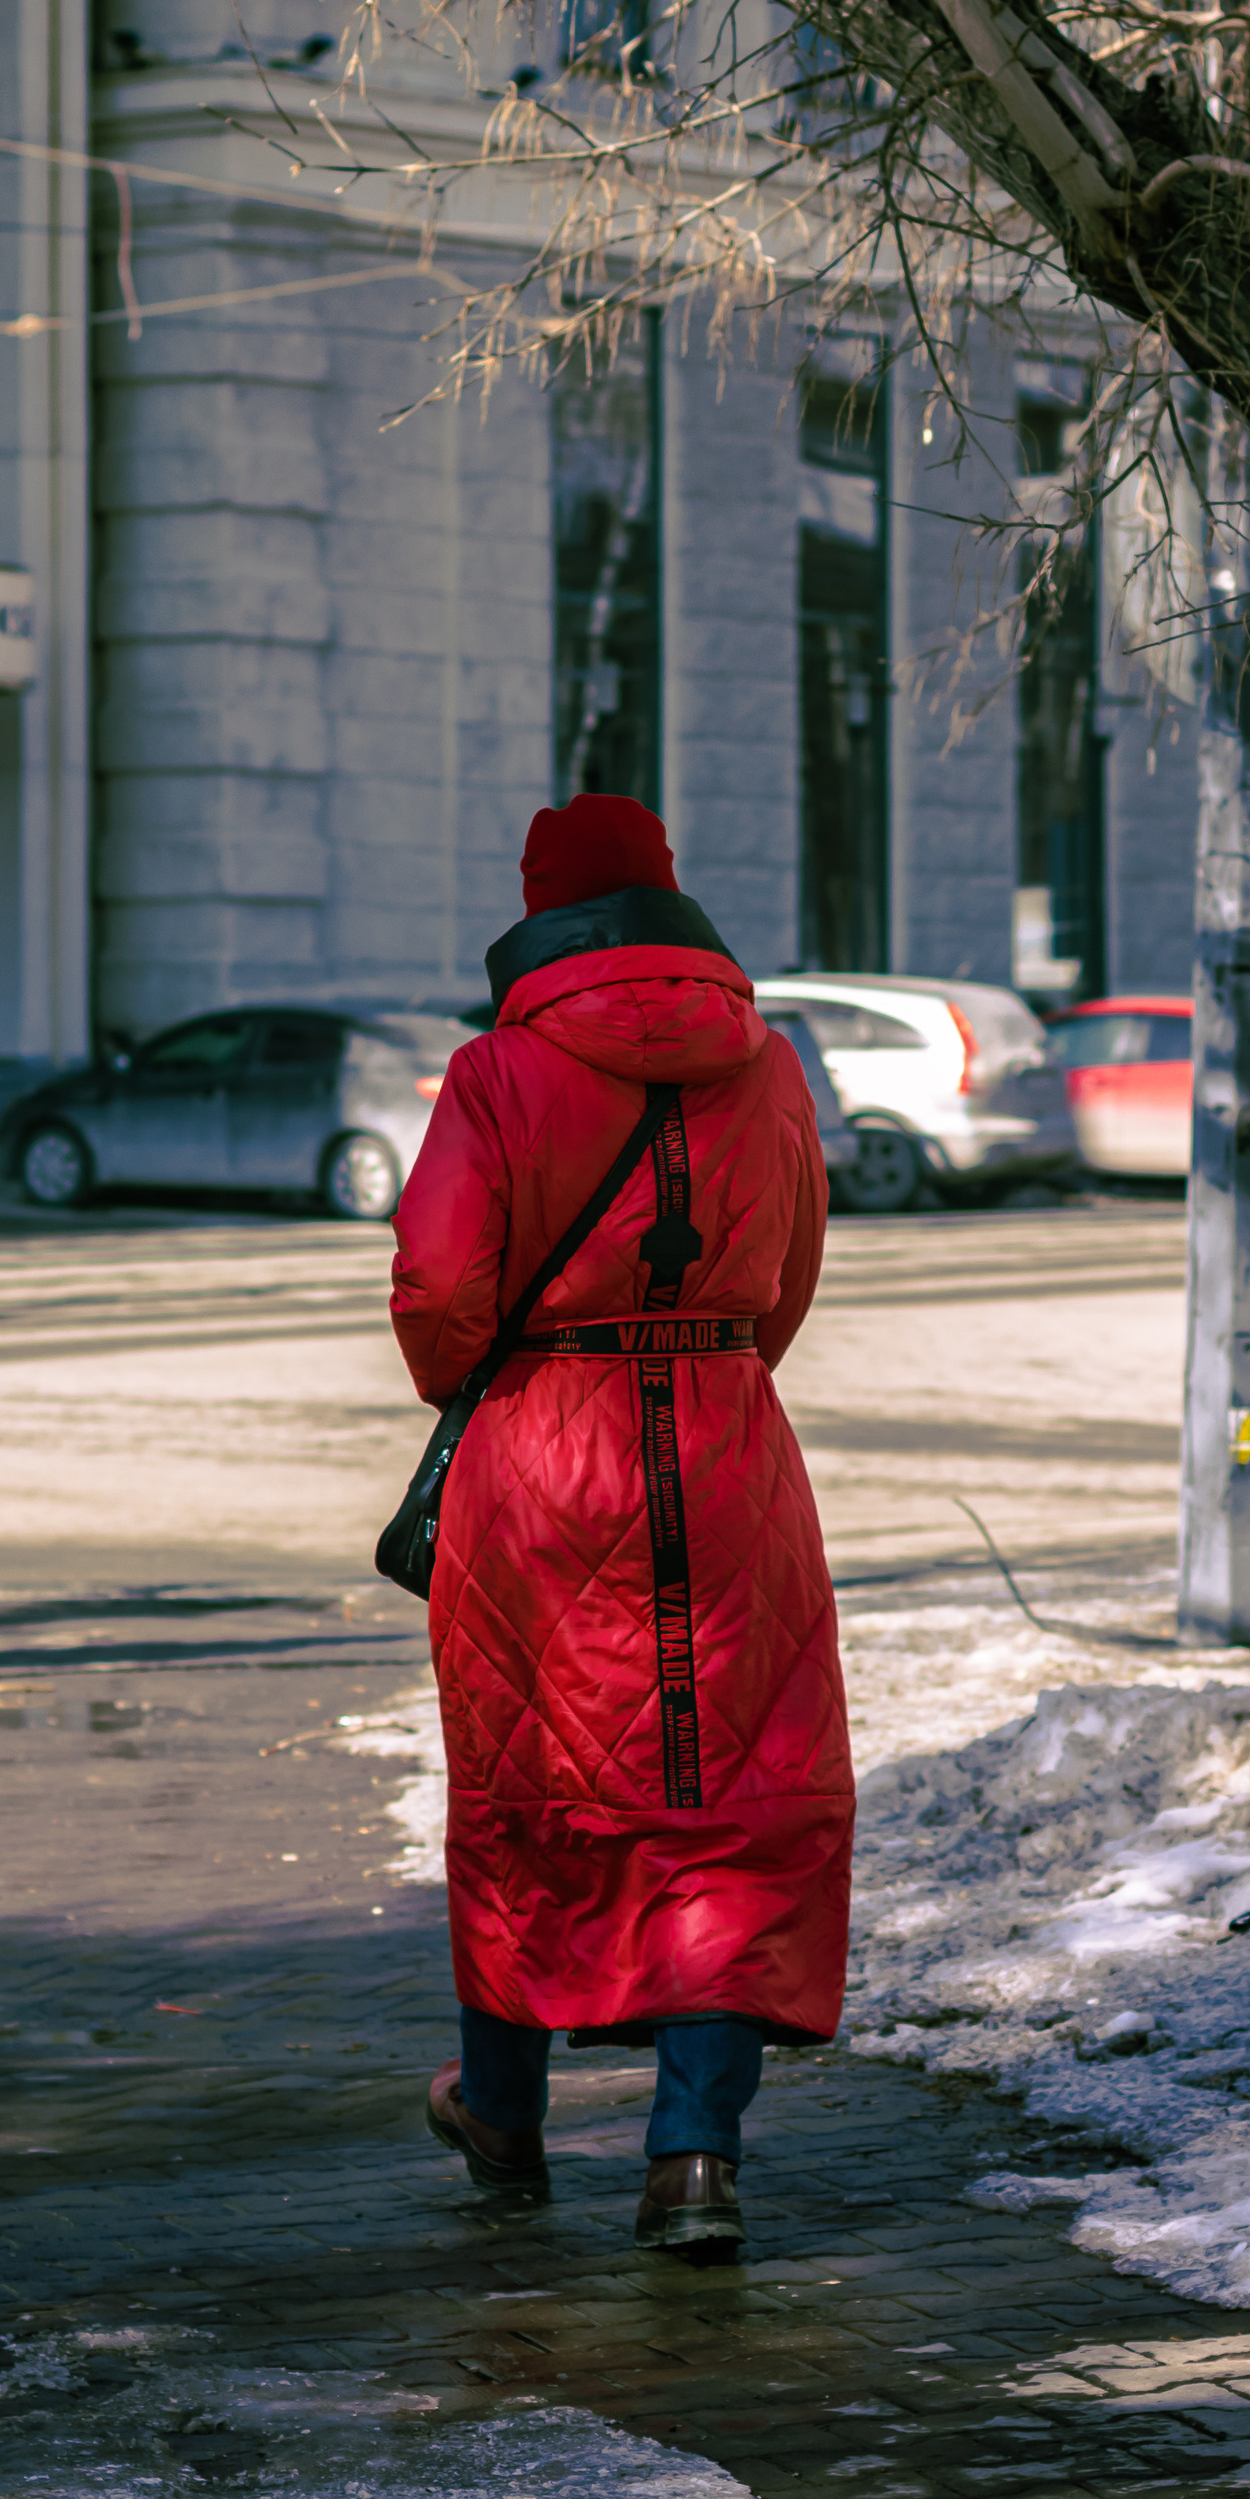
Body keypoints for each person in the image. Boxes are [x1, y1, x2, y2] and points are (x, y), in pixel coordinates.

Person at [390, 792, 850, 2259]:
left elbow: (440, 1286)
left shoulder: (495, 1070)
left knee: (524, 1784)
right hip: (726, 1449)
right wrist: (713, 1368)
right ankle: (695, 2154)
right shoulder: (769, 1061)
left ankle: (504, 2114)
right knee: (736, 1790)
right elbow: (791, 1265)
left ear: (541, 912)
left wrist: (492, 1384)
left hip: (538, 1453)